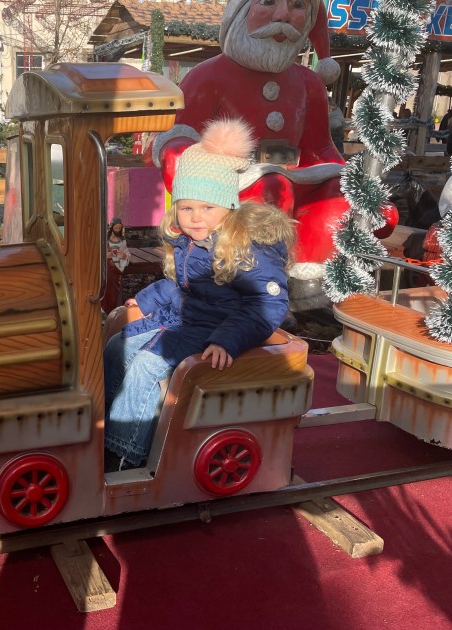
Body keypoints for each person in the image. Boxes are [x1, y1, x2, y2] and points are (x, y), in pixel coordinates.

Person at [149, 0, 397, 310]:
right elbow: (180, 137)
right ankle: (249, 284)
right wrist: (183, 160)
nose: (283, 16)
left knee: (337, 201)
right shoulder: (208, 76)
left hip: (297, 182)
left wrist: (353, 188)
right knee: (268, 191)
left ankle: (309, 284)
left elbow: (319, 149)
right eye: (267, 2)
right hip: (230, 189)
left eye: (297, 6)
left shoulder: (308, 83)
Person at [105, 119, 296, 471]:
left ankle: (124, 454)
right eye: (187, 207)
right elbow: (182, 283)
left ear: (227, 207)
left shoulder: (245, 247)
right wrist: (147, 299)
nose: (195, 217)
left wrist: (226, 340)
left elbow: (267, 304)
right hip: (185, 320)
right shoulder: (189, 240)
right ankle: (107, 425)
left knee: (147, 365)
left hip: (216, 329)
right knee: (118, 345)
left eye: (207, 208)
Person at [101, 217, 131, 313]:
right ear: (111, 228)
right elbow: (98, 253)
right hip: (108, 269)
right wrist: (105, 255)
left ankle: (114, 311)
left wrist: (124, 255)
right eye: (116, 228)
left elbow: (127, 253)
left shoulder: (122, 241)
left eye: (119, 228)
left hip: (117, 269)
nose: (117, 230)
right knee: (106, 290)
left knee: (115, 293)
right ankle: (104, 310)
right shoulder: (105, 240)